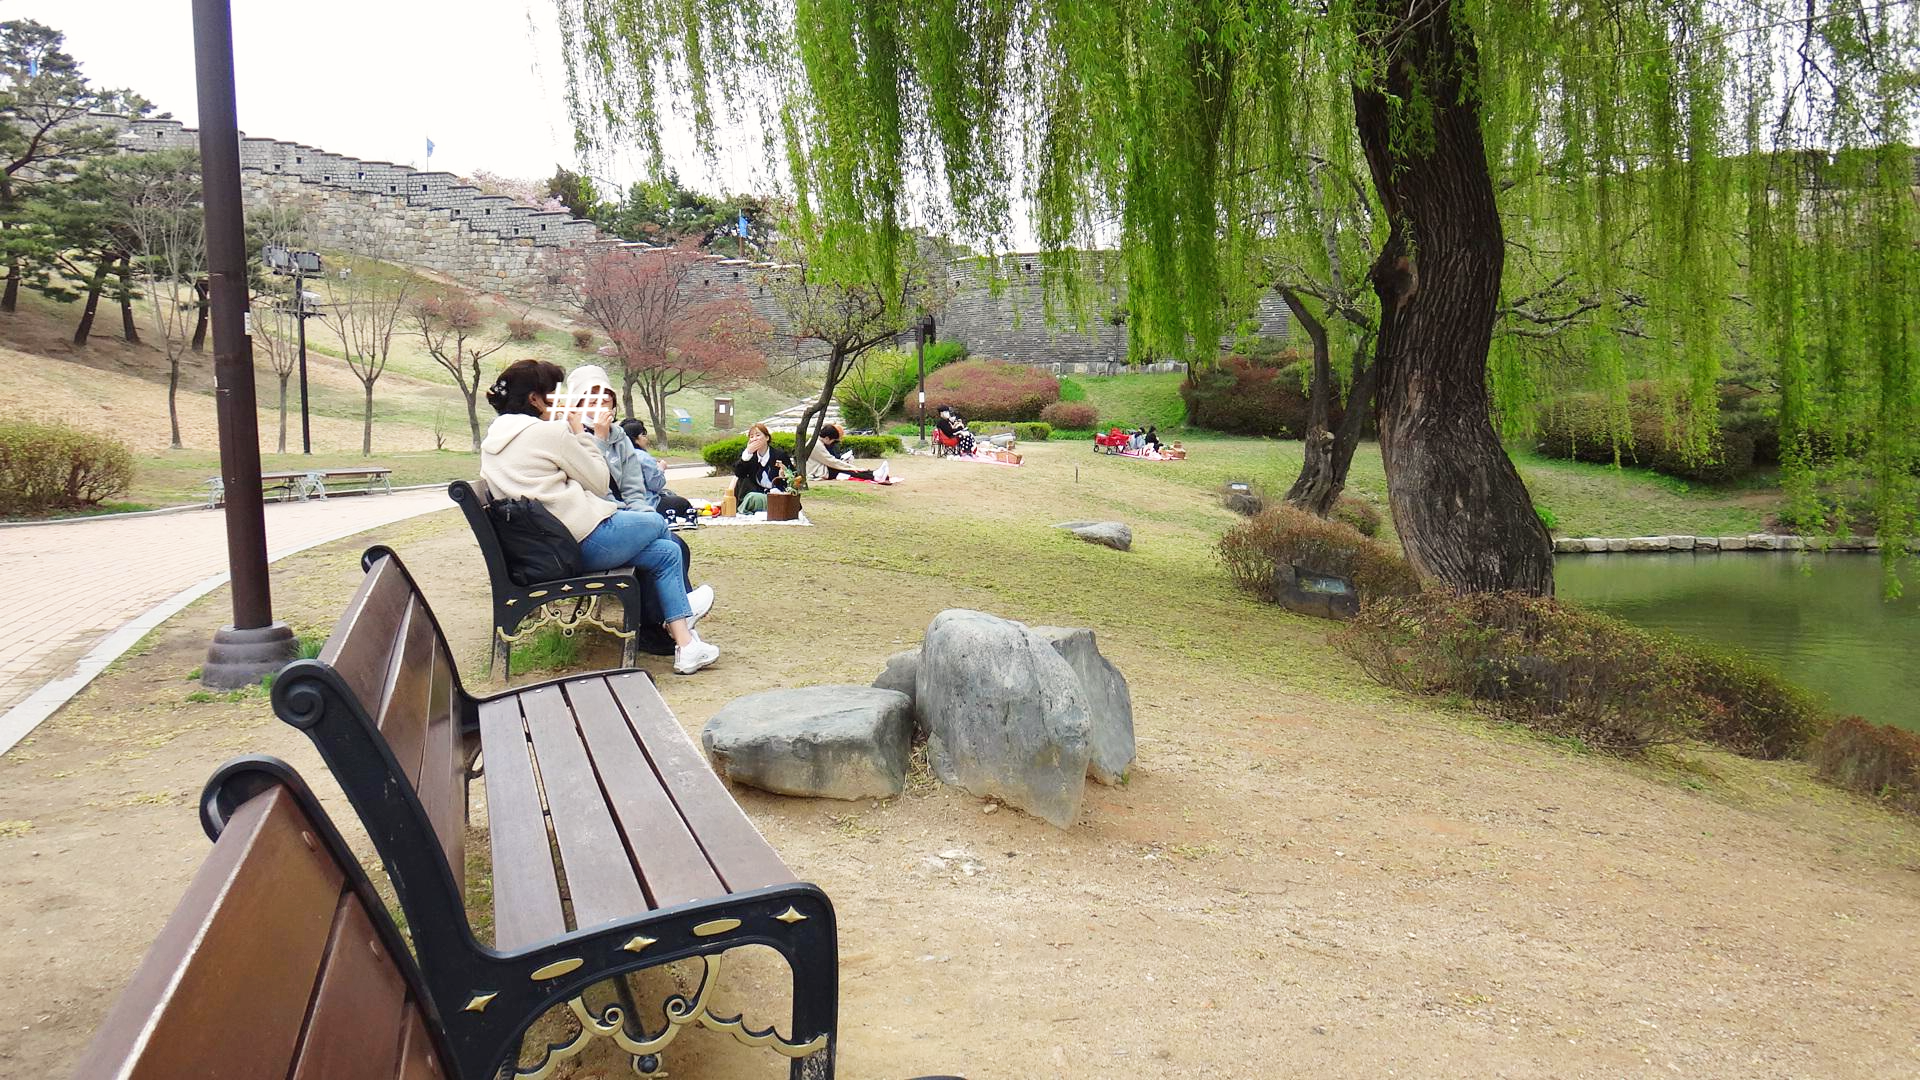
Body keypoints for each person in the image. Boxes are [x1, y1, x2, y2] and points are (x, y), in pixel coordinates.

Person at [481, 359, 718, 675]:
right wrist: (581, 433)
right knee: (657, 523)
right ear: (535, 399)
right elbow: (597, 480)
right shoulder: (550, 432)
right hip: (576, 543)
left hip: (546, 546)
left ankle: (687, 647)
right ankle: (682, 613)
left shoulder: (494, 440)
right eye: (554, 393)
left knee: (667, 552)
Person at [563, 366, 700, 589]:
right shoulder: (568, 434)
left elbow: (633, 486)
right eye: (591, 397)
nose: (600, 403)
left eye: (606, 398)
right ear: (578, 402)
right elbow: (594, 482)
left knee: (677, 545)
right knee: (662, 549)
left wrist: (642, 513)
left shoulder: (619, 437)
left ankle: (672, 609)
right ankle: (679, 605)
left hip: (626, 515)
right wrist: (599, 438)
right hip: (596, 524)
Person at [732, 423, 795, 513]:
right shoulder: (749, 456)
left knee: (754, 498)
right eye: (751, 437)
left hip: (777, 495)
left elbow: (793, 477)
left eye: (758, 435)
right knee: (750, 493)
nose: (755, 439)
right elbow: (739, 473)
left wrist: (784, 473)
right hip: (757, 493)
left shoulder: (779, 455)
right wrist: (747, 455)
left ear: (767, 438)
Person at [808, 423, 889, 482]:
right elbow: (831, 461)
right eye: (833, 440)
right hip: (819, 472)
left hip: (822, 468)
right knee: (848, 472)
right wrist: (852, 467)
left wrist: (850, 466)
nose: (833, 443)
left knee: (848, 470)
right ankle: (874, 476)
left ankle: (874, 474)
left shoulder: (816, 441)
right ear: (827, 438)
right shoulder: (817, 445)